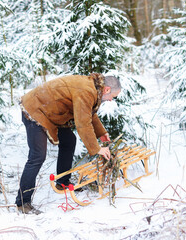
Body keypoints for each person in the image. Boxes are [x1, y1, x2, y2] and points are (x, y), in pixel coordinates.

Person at [16, 73, 121, 214]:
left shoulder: (92, 88)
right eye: (113, 97)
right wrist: (97, 149)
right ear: (107, 89)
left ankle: (63, 182)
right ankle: (23, 202)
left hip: (51, 111)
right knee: (37, 156)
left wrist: (101, 133)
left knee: (69, 140)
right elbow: (83, 122)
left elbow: (88, 112)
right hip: (35, 110)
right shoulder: (87, 90)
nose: (110, 100)